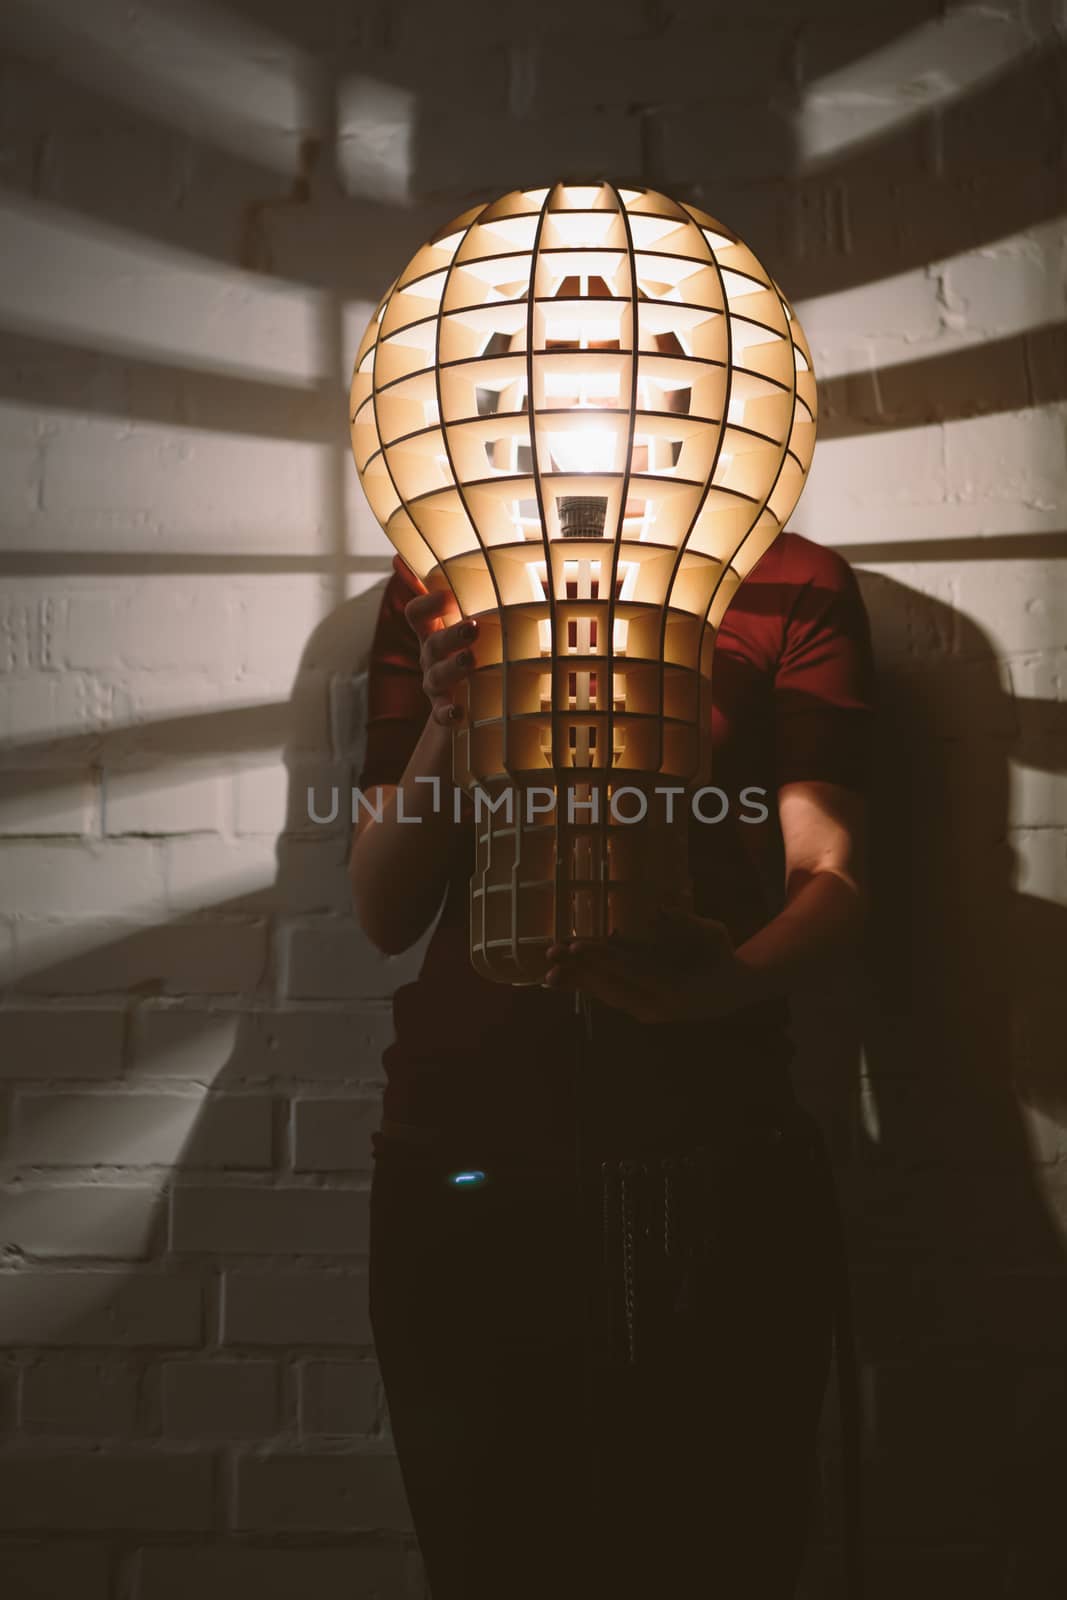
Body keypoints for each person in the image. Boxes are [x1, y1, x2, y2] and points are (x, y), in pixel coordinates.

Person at [349, 531, 875, 1599]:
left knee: (720, 1552)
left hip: (713, 1144)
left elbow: (830, 872)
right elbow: (382, 906)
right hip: (467, 1154)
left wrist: (724, 983)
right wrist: (450, 722)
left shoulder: (788, 579)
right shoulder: (444, 576)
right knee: (490, 1555)